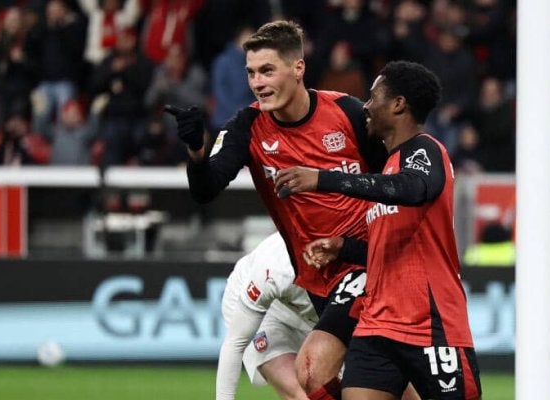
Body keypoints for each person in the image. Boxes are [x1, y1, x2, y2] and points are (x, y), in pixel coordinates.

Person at [164, 20, 389, 400]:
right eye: (251, 72)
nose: (257, 82)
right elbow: (205, 190)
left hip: (370, 266)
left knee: (338, 377)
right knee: (338, 384)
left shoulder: (347, 113)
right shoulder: (247, 126)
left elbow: (391, 183)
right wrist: (196, 150)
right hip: (318, 279)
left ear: (298, 68)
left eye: (267, 70)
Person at [275, 61, 482, 399]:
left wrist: (323, 179)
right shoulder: (386, 169)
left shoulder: (425, 149)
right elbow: (391, 249)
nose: (366, 106)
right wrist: (343, 247)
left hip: (429, 324)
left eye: (373, 98)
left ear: (398, 104)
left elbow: (413, 189)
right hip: (376, 326)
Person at [218, 232, 317, 400]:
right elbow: (235, 343)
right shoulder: (274, 269)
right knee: (303, 395)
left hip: (311, 319)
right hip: (265, 311)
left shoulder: (355, 262)